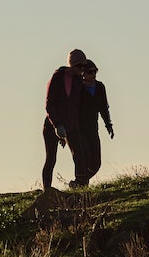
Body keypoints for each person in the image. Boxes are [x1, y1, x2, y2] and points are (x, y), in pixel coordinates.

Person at [41, 48, 87, 191]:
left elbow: (77, 106)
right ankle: (47, 190)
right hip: (52, 125)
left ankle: (81, 186)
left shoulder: (79, 81)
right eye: (79, 66)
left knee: (79, 155)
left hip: (71, 125)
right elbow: (49, 104)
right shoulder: (57, 78)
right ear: (71, 65)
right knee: (51, 158)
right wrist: (57, 125)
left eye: (84, 66)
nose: (82, 69)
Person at [72, 60, 114, 188]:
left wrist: (108, 125)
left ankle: (79, 183)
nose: (93, 74)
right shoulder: (78, 87)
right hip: (79, 129)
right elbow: (72, 108)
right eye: (90, 72)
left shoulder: (100, 87)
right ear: (83, 73)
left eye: (95, 71)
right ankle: (81, 185)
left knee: (96, 163)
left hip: (93, 128)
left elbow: (103, 108)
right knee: (84, 159)